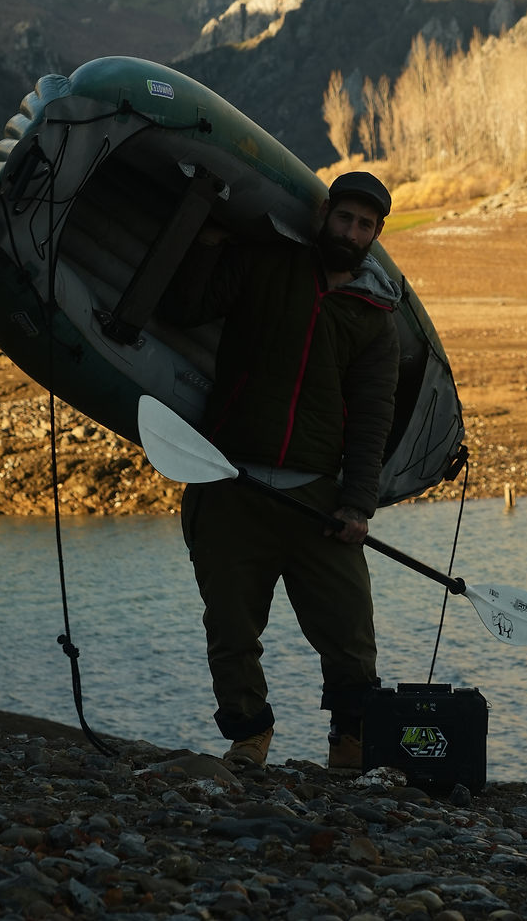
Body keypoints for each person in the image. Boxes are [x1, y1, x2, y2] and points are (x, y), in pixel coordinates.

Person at [168, 170, 401, 769]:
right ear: (324, 214)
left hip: (318, 501)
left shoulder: (373, 315)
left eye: (365, 225)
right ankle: (249, 737)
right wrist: (206, 242)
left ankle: (349, 742)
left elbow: (372, 419)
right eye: (345, 218)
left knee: (351, 634)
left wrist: (357, 506)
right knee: (230, 629)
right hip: (229, 484)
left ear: (376, 235)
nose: (352, 232)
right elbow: (185, 308)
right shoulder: (266, 264)